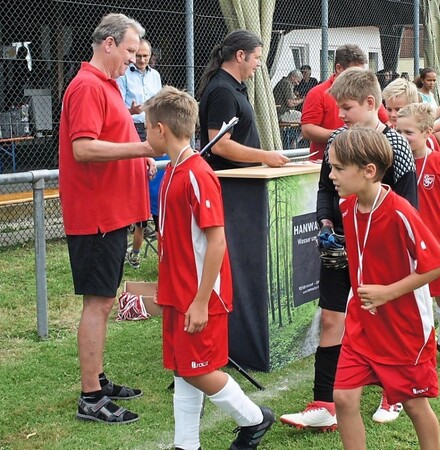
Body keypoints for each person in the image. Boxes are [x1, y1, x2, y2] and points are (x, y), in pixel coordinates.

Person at [280, 67, 417, 430]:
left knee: (384, 323)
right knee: (331, 319)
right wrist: (326, 224)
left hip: (383, 256)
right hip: (339, 248)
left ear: (371, 104)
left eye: (346, 108)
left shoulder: (396, 145)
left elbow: (407, 207)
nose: (339, 116)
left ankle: (396, 393)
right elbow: (326, 188)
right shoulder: (338, 139)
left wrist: (384, 251)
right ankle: (325, 403)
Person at [145, 86, 275, 450]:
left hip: (201, 293)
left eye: (146, 128)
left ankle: (254, 419)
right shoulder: (172, 170)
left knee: (198, 369)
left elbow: (216, 241)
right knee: (183, 367)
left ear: (161, 130)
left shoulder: (197, 174)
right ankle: (186, 444)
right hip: (178, 290)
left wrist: (201, 300)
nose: (145, 134)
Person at [60, 13, 159, 425]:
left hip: (112, 211)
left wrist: (141, 155)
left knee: (103, 300)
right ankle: (90, 397)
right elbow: (83, 148)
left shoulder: (106, 85)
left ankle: (97, 380)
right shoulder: (86, 86)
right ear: (109, 45)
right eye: (131, 52)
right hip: (96, 214)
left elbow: (110, 139)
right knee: (98, 304)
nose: (134, 61)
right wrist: (140, 150)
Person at [326, 127, 440, 450]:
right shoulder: (348, 208)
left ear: (368, 171)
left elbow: (438, 264)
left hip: (403, 328)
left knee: (413, 405)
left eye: (338, 168)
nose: (330, 174)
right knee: (343, 397)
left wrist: (387, 293)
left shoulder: (400, 212)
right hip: (363, 324)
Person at [396, 103, 440, 366]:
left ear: (427, 132)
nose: (401, 138)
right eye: (397, 131)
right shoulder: (390, 163)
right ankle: (413, 350)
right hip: (405, 246)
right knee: (409, 301)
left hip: (436, 244)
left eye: (408, 133)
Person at [197, 30, 289, 170]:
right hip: (231, 181)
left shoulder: (232, 88)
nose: (259, 64)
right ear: (240, 55)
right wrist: (265, 156)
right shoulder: (223, 91)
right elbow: (219, 145)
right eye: (256, 58)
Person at [117, 37, 164, 269]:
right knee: (140, 185)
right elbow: (117, 109)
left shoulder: (155, 76)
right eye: (138, 56)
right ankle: (135, 236)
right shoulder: (125, 74)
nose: (142, 60)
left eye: (146, 56)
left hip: (153, 127)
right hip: (133, 127)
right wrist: (131, 110)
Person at [300, 45, 389, 162]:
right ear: (339, 68)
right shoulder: (318, 93)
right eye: (354, 72)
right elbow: (307, 129)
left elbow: (385, 121)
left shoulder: (365, 92)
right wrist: (345, 136)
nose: (359, 77)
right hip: (324, 163)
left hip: (362, 162)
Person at [273, 69, 304, 149]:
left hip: (282, 112)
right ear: (293, 77)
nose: (297, 84)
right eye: (297, 81)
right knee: (308, 119)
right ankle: (295, 141)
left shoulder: (285, 82)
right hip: (283, 113)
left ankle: (294, 141)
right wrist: (303, 100)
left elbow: (293, 99)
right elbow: (290, 103)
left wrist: (297, 99)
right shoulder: (286, 83)